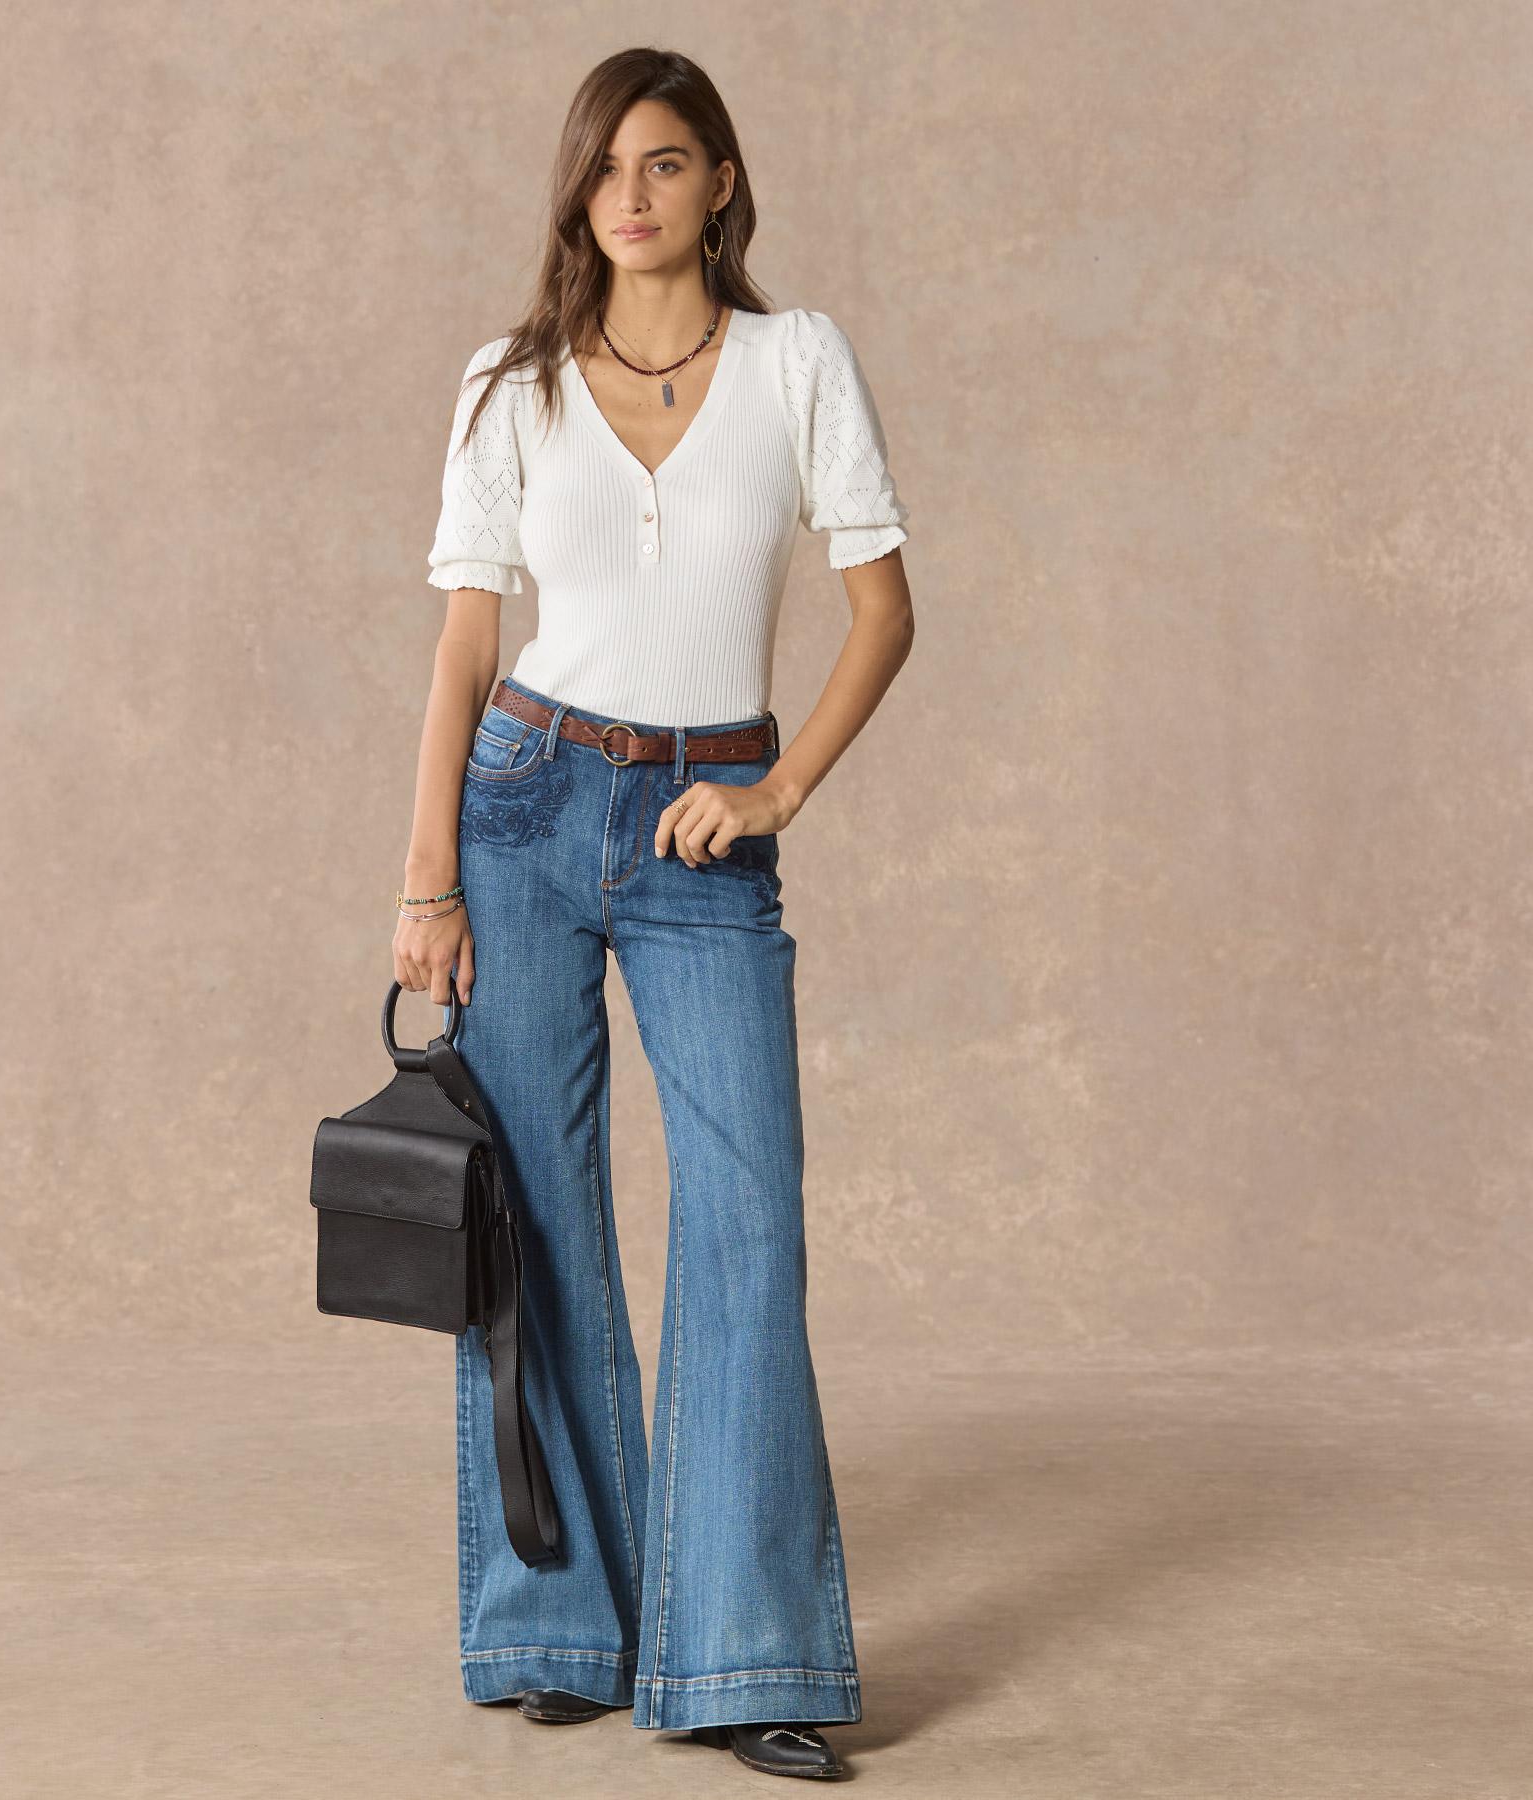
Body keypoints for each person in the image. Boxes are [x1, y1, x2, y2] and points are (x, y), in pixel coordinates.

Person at [393, 46, 913, 1784]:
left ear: (720, 184)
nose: (632, 194)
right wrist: (425, 882)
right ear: (579, 189)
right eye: (606, 165)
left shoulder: (797, 361)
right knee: (536, 1221)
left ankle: (746, 1655)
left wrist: (775, 793)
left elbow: (884, 611)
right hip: (526, 808)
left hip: (707, 826)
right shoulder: (510, 384)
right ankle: (559, 1623)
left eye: (667, 161)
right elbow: (466, 649)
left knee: (747, 1220)